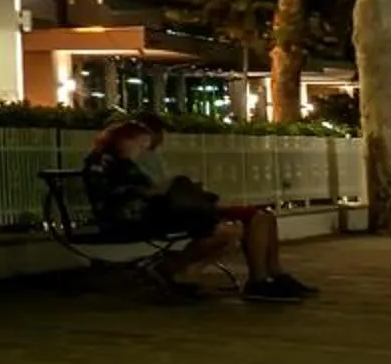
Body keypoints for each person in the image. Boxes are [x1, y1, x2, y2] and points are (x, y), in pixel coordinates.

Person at [82, 118, 314, 303]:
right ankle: (183, 270)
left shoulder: (115, 162)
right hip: (146, 217)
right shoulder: (112, 164)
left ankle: (269, 275)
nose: (143, 150)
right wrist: (164, 189)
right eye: (140, 144)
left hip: (155, 213)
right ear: (125, 140)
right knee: (232, 228)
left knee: (258, 218)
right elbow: (134, 195)